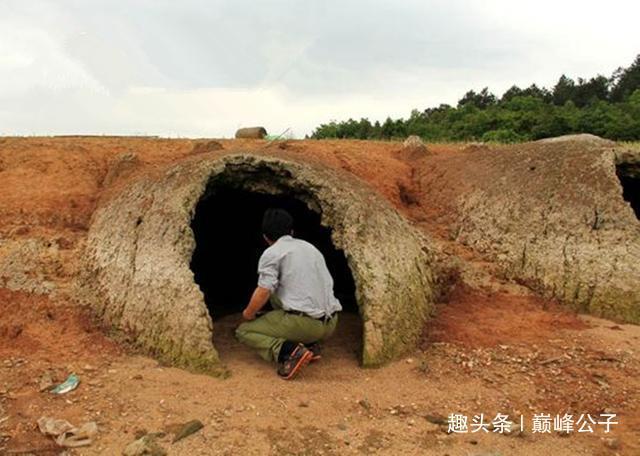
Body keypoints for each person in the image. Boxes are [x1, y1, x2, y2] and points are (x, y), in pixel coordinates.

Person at [236, 208, 342, 380]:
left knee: (244, 331)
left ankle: (290, 352)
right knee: (281, 291)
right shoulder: (310, 248)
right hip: (330, 323)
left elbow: (263, 290)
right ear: (291, 232)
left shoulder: (272, 253)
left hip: (305, 326)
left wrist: (248, 314)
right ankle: (311, 346)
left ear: (265, 236)